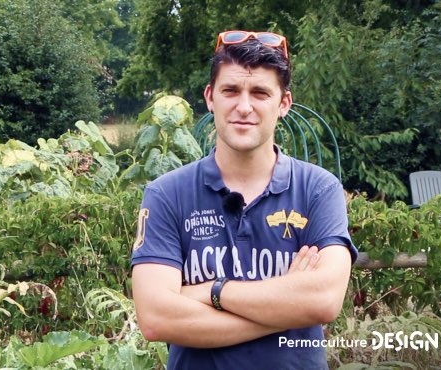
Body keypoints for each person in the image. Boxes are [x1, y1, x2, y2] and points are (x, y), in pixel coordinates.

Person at [131, 30, 358, 370]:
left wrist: (212, 291)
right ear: (210, 97)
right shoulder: (167, 194)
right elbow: (157, 318)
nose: (244, 106)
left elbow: (323, 301)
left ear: (283, 104)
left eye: (260, 93)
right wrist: (287, 309)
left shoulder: (318, 190)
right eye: (231, 90)